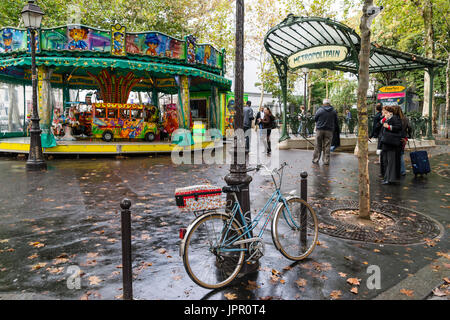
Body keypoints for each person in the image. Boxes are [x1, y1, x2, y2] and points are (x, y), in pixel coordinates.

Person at [379, 106, 402, 185]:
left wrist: (389, 127)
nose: (382, 111)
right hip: (385, 142)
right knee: (386, 161)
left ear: (388, 111)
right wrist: (385, 118)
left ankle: (390, 179)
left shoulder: (395, 118)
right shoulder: (387, 118)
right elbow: (380, 123)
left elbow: (399, 127)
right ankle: (386, 178)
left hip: (391, 143)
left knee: (390, 162)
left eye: (384, 110)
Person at [312, 99, 338, 165]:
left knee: (318, 145)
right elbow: (336, 121)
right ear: (329, 103)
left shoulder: (320, 110)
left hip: (320, 130)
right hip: (329, 130)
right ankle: (326, 161)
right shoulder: (333, 111)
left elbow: (315, 119)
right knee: (327, 146)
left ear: (323, 104)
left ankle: (315, 160)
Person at [394, 106, 412, 176]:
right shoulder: (405, 119)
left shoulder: (395, 119)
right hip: (403, 138)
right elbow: (410, 128)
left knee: (396, 154)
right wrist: (409, 135)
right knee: (401, 154)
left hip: (396, 138)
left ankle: (399, 170)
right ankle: (402, 171)